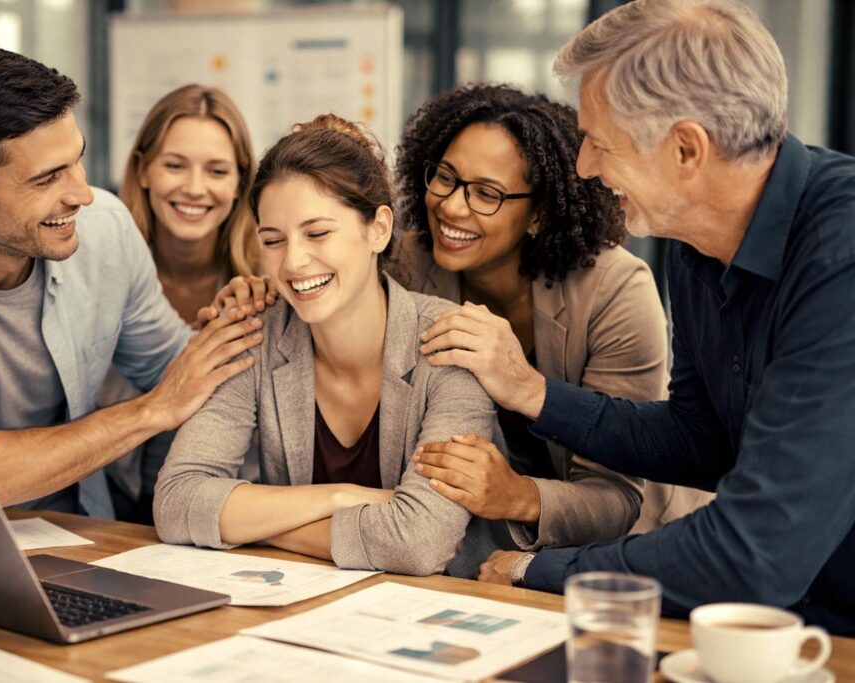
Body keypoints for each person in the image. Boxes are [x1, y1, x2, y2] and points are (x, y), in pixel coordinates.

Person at [466, 0, 855, 635]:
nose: (584, 166)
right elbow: (703, 441)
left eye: (599, 142)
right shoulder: (697, 240)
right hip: (781, 633)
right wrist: (536, 395)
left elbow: (755, 555)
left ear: (685, 149)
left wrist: (538, 570)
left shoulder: (841, 256)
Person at [0, 46, 263, 518]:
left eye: (76, 160)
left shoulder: (106, 229)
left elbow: (177, 371)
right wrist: (150, 411)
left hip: (78, 532)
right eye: (47, 178)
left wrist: (236, 328)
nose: (81, 193)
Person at [153, 115, 495, 575]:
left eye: (317, 233)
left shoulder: (450, 343)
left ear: (377, 229)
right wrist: (342, 497)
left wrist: (249, 522)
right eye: (273, 240)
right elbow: (176, 501)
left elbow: (420, 542)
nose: (293, 261)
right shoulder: (255, 334)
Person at [395, 84, 712, 576]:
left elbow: (618, 497)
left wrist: (516, 495)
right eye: (446, 178)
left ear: (539, 214)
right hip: (476, 552)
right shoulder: (407, 266)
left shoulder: (616, 290)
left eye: (487, 194)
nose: (453, 207)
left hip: (623, 556)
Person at [101, 84, 266, 521]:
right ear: (143, 171)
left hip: (228, 512)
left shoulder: (268, 284)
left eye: (216, 171)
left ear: (239, 184)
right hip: (108, 505)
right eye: (175, 165)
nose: (194, 188)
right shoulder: (96, 272)